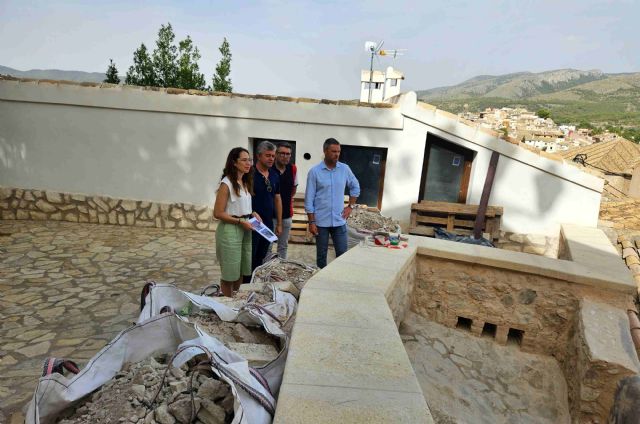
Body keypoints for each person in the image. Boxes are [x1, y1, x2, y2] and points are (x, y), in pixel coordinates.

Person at [305, 138, 360, 268]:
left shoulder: (344, 169)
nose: (336, 154)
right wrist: (311, 222)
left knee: (342, 253)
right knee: (321, 255)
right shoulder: (315, 172)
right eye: (333, 151)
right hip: (321, 222)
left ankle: (338, 279)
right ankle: (320, 279)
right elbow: (309, 199)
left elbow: (355, 187)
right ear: (325, 151)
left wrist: (350, 207)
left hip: (339, 220)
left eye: (338, 151)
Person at [213, 147, 259, 297]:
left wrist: (253, 213)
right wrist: (240, 222)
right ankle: (227, 302)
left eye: (250, 160)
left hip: (246, 227)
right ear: (234, 162)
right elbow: (218, 213)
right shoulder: (226, 184)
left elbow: (241, 206)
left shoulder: (244, 181)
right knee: (229, 272)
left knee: (241, 269)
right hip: (231, 229)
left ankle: (235, 299)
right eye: (244, 160)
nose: (248, 163)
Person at [252, 141, 283, 270]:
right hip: (252, 222)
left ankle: (255, 283)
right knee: (251, 256)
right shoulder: (250, 174)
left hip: (268, 223)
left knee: (263, 256)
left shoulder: (275, 175)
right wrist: (251, 211)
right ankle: (245, 285)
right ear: (259, 156)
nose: (271, 158)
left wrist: (279, 223)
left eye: (273, 155)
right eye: (268, 155)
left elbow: (277, 198)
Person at [271, 142, 298, 259]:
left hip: (286, 215)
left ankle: (279, 269)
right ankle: (265, 270)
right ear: (276, 154)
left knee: (283, 246)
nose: (285, 156)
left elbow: (293, 190)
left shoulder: (293, 169)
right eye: (282, 153)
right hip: (269, 216)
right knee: (267, 245)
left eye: (288, 154)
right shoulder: (269, 168)